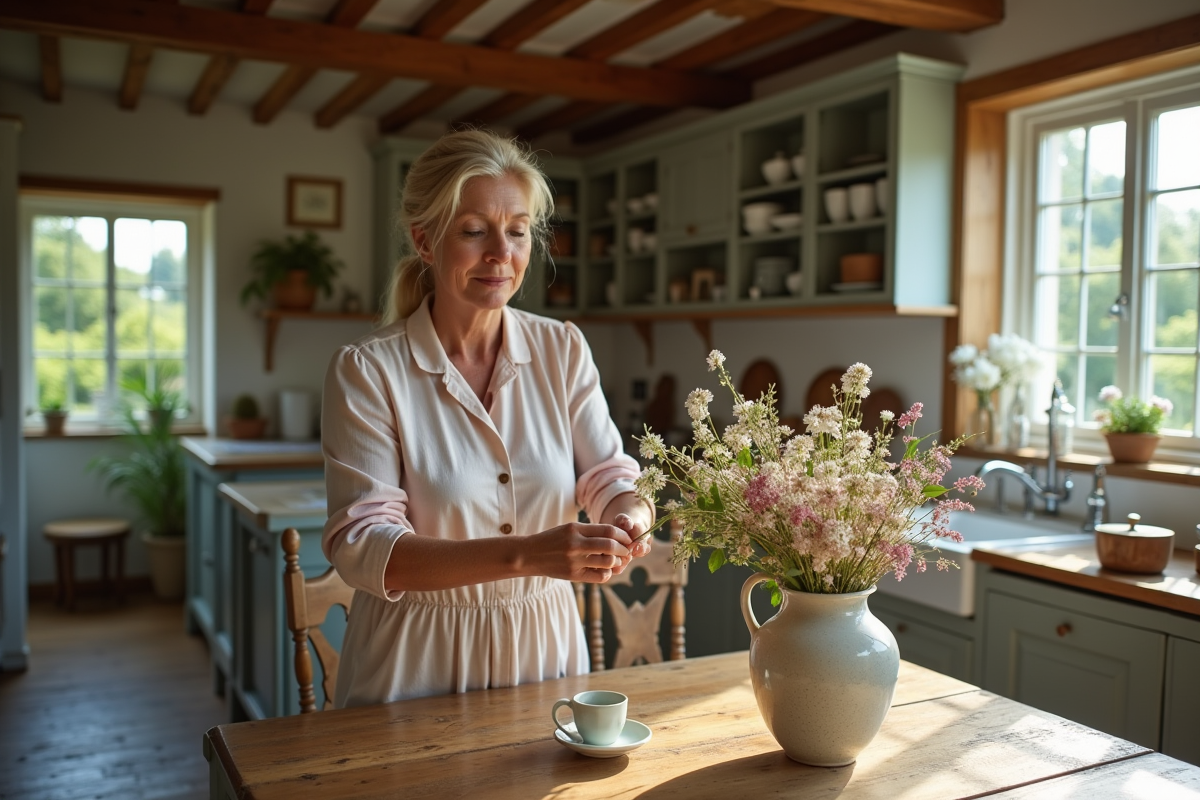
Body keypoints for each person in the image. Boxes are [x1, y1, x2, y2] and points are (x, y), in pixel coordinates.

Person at [321, 129, 654, 708]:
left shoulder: (563, 349)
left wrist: (629, 515)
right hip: (414, 664)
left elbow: (609, 475)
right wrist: (529, 554)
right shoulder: (367, 370)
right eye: (474, 232)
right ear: (426, 241)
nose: (502, 253)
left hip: (545, 654)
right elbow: (364, 545)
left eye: (518, 232)